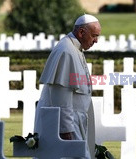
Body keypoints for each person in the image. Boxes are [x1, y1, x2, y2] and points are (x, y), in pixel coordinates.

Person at [34, 14, 101, 159]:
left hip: (74, 121)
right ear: (81, 32)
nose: (96, 41)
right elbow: (60, 97)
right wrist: (66, 131)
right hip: (65, 125)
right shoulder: (66, 51)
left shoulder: (74, 48)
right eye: (94, 36)